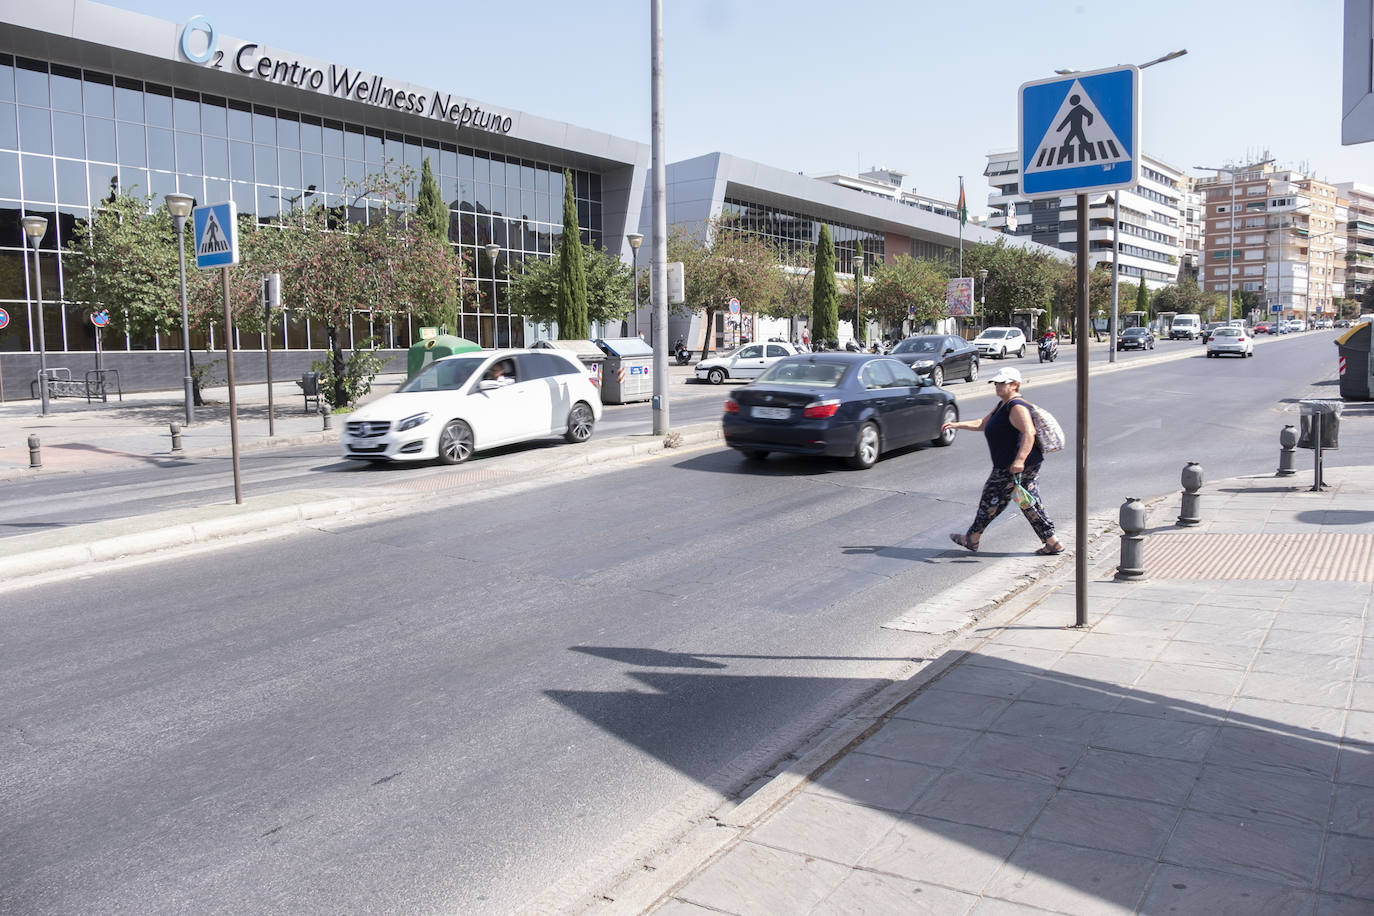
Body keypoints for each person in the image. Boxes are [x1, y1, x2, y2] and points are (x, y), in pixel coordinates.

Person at [942, 366, 1064, 555]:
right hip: (1012, 465)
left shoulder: (1016, 406)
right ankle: (1051, 542)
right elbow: (983, 424)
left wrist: (1020, 460)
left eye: (1002, 383)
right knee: (1025, 502)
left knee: (993, 500)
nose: (998, 386)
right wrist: (957, 424)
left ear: (1015, 384)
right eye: (996, 383)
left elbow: (1029, 432)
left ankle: (972, 538)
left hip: (1014, 466)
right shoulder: (1003, 404)